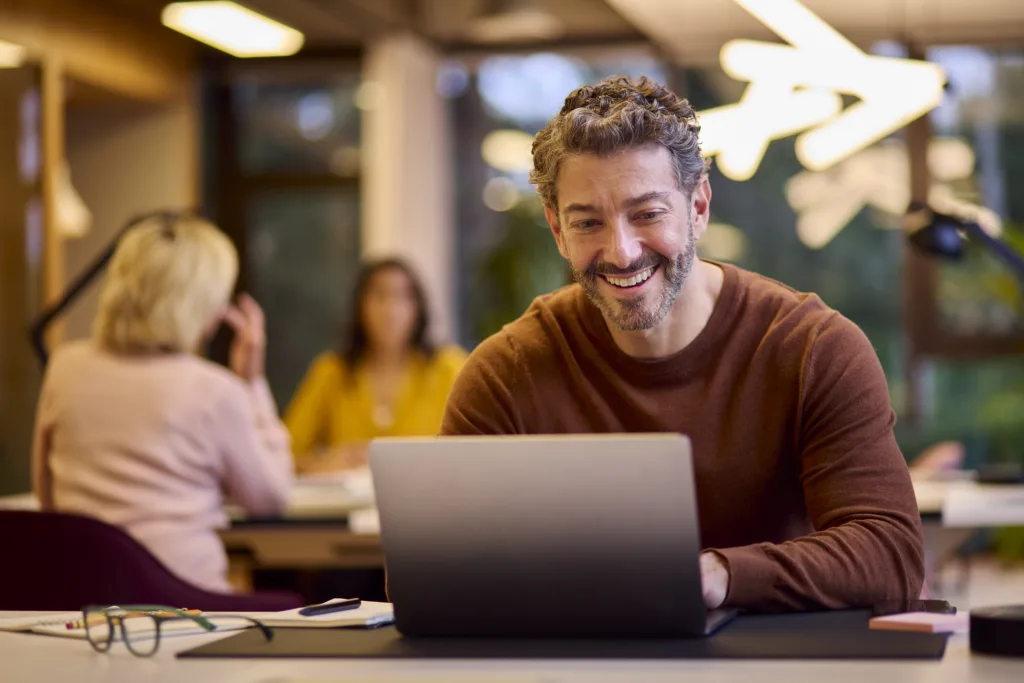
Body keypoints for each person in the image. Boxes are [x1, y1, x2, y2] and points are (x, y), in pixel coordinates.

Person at [440, 76, 925, 612]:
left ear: (698, 206)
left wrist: (720, 574)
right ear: (557, 229)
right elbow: (436, 572)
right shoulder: (506, 372)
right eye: (588, 223)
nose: (621, 252)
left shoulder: (814, 348)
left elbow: (891, 554)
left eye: (647, 214)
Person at [31, 213, 293, 594]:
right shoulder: (216, 391)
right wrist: (253, 383)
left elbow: (48, 497)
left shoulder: (64, 368)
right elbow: (271, 498)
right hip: (188, 610)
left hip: (82, 607)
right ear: (195, 303)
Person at [285, 257, 466, 473]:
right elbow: (285, 454)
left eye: (402, 297)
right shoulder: (331, 372)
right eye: (380, 296)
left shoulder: (448, 368)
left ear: (418, 308)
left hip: (432, 500)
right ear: (360, 306)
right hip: (346, 503)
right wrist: (323, 463)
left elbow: (480, 449)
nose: (391, 310)